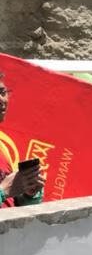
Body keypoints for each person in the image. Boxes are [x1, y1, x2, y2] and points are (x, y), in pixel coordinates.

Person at [0, 73, 44, 208]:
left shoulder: (2, 146)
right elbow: (5, 190)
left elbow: (9, 201)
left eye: (2, 92)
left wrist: (27, 195)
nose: (1, 99)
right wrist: (3, 191)